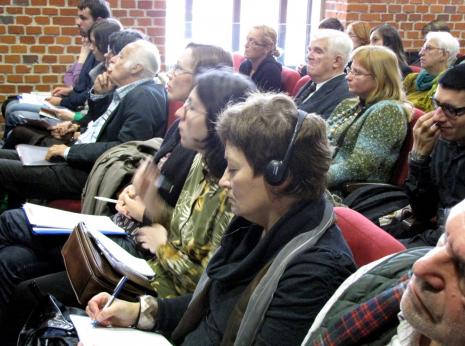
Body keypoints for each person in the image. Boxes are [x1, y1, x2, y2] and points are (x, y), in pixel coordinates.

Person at [2, 69, 256, 345]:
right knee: (14, 258)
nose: (180, 113)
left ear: (218, 119)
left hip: (162, 292)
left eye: (192, 107)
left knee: (29, 289)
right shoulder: (201, 160)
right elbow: (183, 228)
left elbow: (204, 285)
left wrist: (162, 244)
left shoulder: (232, 187)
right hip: (149, 269)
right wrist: (153, 204)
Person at [86, 92, 356, 346]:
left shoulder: (313, 273)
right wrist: (136, 312)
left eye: (234, 169)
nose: (224, 180)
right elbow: (212, 304)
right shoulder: (254, 225)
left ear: (279, 177)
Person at [0, 40, 167, 209]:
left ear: (136, 68)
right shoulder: (128, 90)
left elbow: (124, 150)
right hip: (81, 159)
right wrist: (98, 96)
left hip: (88, 173)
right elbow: (98, 125)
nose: (113, 59)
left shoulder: (144, 97)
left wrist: (68, 151)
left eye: (121, 56)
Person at [304, 197, 465, 345]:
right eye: (445, 237)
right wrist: (419, 164)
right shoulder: (380, 270)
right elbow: (420, 202)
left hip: (415, 222)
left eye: (463, 271)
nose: (419, 266)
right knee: (382, 222)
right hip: (408, 213)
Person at [2, 0, 111, 132]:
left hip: (74, 112)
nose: (77, 22)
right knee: (11, 104)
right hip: (72, 106)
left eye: (83, 18)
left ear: (98, 20)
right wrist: (70, 90)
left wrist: (62, 101)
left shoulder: (101, 51)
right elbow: (72, 80)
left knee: (14, 111)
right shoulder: (92, 45)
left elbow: (83, 90)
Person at [327, 45, 409, 193]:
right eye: (350, 70)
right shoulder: (349, 104)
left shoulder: (388, 112)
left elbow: (359, 167)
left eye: (357, 73)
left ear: (380, 78)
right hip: (325, 178)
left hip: (347, 192)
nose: (348, 76)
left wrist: (312, 179)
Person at [403, 63, 465, 247]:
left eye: (451, 110)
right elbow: (423, 211)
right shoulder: (443, 140)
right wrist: (418, 158)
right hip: (435, 234)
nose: (437, 117)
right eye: (437, 104)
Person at [294, 29, 352, 119]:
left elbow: (320, 131)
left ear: (336, 61)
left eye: (318, 51)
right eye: (309, 50)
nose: (309, 56)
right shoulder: (312, 82)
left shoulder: (345, 95)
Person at [403, 31, 459, 112]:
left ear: (444, 55)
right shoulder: (411, 79)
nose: (420, 53)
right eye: (422, 48)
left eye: (428, 48)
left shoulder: (448, 86)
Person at [239, 25, 282, 92]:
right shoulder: (244, 65)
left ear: (267, 48)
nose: (246, 45)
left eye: (252, 42)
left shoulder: (271, 71)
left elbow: (265, 102)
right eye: (247, 40)